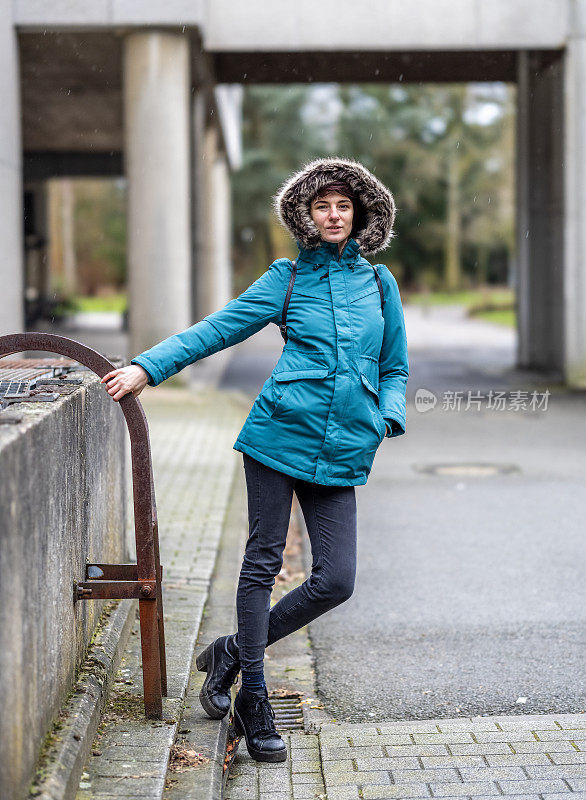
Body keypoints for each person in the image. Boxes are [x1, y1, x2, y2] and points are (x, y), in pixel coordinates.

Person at [101, 156, 409, 763]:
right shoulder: (288, 279)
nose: (333, 215)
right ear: (306, 214)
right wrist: (148, 367)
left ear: (361, 214)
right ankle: (255, 695)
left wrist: (386, 416)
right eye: (322, 205)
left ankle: (231, 652)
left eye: (343, 205)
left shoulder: (379, 285)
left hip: (346, 444)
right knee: (262, 561)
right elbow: (218, 330)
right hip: (277, 438)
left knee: (336, 580)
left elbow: (395, 364)